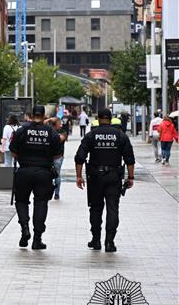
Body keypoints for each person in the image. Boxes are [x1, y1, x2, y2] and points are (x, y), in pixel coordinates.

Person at [74, 108, 135, 252]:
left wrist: (78, 176)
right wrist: (130, 177)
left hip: (95, 177)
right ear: (111, 118)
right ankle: (109, 242)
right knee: (112, 208)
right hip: (114, 177)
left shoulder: (91, 135)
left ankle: (96, 240)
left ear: (98, 118)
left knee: (95, 208)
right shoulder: (121, 136)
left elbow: (79, 157)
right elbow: (130, 159)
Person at [9, 105, 62, 250]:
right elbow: (58, 155)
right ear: (44, 116)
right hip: (43, 173)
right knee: (41, 203)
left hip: (24, 171)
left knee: (21, 200)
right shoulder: (51, 132)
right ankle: (37, 239)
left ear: (31, 115)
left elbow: (13, 152)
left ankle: (25, 228)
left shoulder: (22, 130)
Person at [48, 117, 68, 200]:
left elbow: (60, 139)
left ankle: (56, 193)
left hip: (57, 157)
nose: (61, 125)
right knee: (47, 175)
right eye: (59, 123)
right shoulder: (50, 131)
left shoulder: (62, 132)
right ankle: (49, 192)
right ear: (55, 124)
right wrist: (49, 119)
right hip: (49, 157)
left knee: (57, 175)